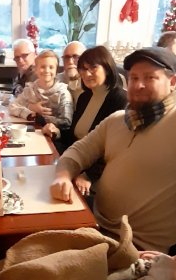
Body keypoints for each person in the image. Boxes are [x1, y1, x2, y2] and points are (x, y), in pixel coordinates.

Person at [50, 47, 176, 253]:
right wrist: (63, 176)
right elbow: (78, 151)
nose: (138, 85)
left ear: (172, 82)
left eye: (150, 77)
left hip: (136, 250)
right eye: (134, 78)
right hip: (95, 224)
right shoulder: (118, 120)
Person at [44, 46, 127, 196]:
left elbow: (115, 149)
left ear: (107, 68)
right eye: (82, 69)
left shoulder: (120, 100)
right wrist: (57, 132)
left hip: (99, 173)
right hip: (77, 163)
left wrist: (89, 175)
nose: (86, 74)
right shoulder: (85, 97)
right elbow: (75, 134)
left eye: (93, 68)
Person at [8, 49, 73, 128]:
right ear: (36, 69)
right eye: (43, 67)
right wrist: (30, 109)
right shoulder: (30, 89)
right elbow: (12, 106)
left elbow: (66, 121)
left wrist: (40, 119)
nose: (47, 71)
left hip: (52, 132)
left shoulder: (63, 93)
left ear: (56, 70)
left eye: (51, 67)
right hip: (32, 129)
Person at [57, 41, 86, 105]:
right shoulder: (55, 81)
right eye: (66, 57)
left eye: (75, 57)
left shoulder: (90, 83)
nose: (70, 61)